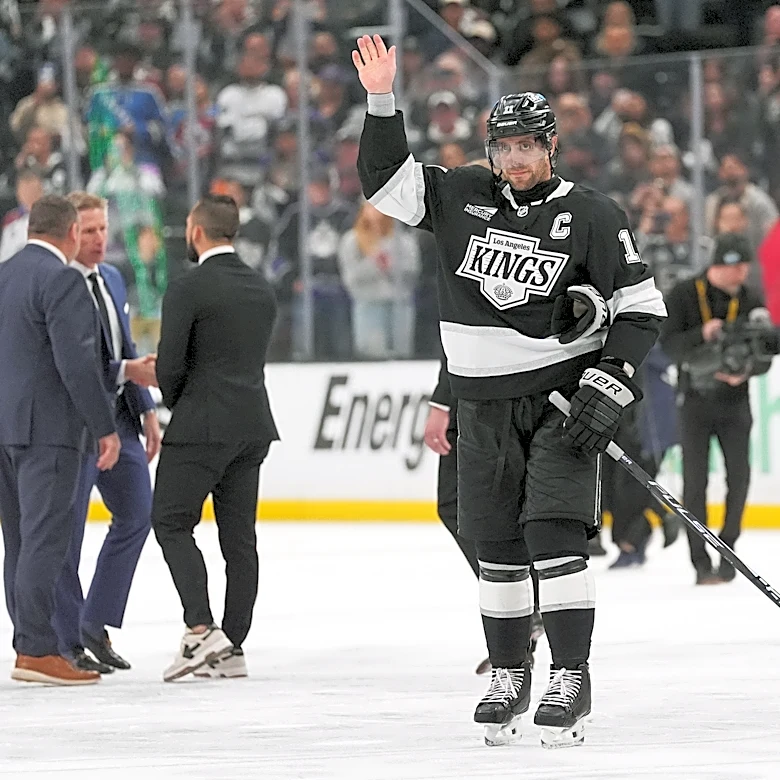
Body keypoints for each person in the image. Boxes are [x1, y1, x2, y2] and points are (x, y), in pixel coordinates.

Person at [353, 35, 666, 748]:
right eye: (505, 147)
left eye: (529, 146)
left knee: (553, 536)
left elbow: (643, 308)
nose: (516, 159)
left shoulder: (591, 215)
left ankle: (571, 676)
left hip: (560, 405)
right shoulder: (459, 194)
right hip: (481, 409)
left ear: (552, 146)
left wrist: (611, 377)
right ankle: (508, 671)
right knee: (494, 545)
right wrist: (381, 101)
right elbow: (383, 182)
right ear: (489, 150)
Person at [152, 194, 279, 682]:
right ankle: (233, 644)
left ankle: (201, 627)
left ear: (197, 231)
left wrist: (176, 401)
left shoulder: (188, 287)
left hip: (201, 426)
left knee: (169, 520)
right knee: (239, 537)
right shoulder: (260, 289)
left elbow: (171, 365)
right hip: (252, 426)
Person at [0, 196, 120, 685]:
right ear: (71, 231)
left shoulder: (4, 274)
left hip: (6, 428)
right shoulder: (64, 279)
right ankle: (35, 649)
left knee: (20, 541)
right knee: (46, 540)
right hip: (49, 432)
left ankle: (27, 640)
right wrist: (105, 426)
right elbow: (77, 363)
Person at [52, 192, 161, 674]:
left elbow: (125, 342)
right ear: (70, 233)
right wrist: (127, 370)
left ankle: (93, 623)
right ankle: (63, 640)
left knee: (139, 510)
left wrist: (148, 408)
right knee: (67, 532)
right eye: (88, 230)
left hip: (119, 418)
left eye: (102, 229)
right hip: (73, 423)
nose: (98, 239)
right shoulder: (56, 285)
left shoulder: (113, 277)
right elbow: (73, 362)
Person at [661, 234, 773, 585]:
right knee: (695, 482)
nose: (741, 274)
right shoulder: (683, 294)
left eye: (744, 267)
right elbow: (669, 346)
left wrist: (746, 372)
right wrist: (702, 334)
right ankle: (699, 559)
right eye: (735, 267)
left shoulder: (750, 299)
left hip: (735, 401)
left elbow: (767, 350)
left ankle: (729, 547)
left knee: (739, 477)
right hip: (695, 399)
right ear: (718, 265)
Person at [424, 360, 545, 677]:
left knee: (486, 509)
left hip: (489, 389)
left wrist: (440, 401)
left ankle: (521, 619)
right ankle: (522, 613)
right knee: (458, 506)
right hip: (466, 386)